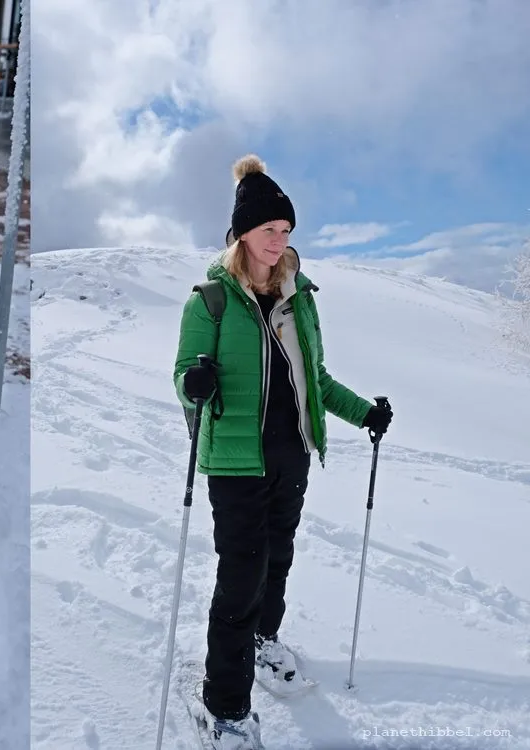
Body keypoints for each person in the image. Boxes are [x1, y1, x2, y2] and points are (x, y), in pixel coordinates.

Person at [172, 154, 393, 750]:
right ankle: (224, 707)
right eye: (269, 229)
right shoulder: (210, 301)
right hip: (236, 463)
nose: (279, 240)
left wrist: (363, 413)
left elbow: (314, 380)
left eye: (286, 230)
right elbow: (183, 377)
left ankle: (263, 642)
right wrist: (195, 382)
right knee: (241, 576)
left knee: (277, 561)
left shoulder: (300, 300)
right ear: (243, 233)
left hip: (291, 456)